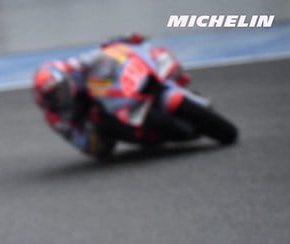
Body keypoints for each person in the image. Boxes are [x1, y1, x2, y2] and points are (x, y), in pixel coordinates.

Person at [32, 33, 192, 158]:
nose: (60, 97)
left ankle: (164, 79)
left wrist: (121, 41)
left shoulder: (74, 67)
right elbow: (82, 142)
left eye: (60, 90)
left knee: (136, 61)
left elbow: (99, 54)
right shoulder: (55, 117)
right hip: (99, 123)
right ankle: (142, 132)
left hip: (109, 94)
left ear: (66, 78)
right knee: (99, 147)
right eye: (53, 96)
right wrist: (91, 134)